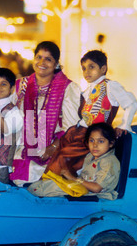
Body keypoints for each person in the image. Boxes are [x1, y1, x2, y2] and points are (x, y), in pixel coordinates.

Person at [46, 49, 137, 177]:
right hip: (77, 133)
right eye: (83, 68)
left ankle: (61, 187)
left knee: (64, 157)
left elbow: (131, 103)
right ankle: (54, 186)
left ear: (103, 68)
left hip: (93, 136)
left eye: (91, 67)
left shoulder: (110, 86)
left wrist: (124, 125)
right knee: (57, 155)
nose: (86, 72)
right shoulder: (87, 90)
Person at [9, 41, 82, 186]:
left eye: (48, 59)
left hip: (52, 152)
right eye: (39, 57)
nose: (42, 62)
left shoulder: (68, 88)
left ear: (56, 64)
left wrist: (53, 147)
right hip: (20, 149)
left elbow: (71, 127)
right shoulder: (20, 85)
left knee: (38, 191)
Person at [28, 122, 120, 200]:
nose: (95, 145)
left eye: (100, 141)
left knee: (52, 188)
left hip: (94, 196)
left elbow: (97, 188)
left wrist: (74, 179)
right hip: (81, 188)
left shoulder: (109, 162)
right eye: (91, 140)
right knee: (50, 182)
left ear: (111, 143)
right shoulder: (90, 156)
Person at [0, 68, 23, 184]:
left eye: (4, 84)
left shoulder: (13, 111)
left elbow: (6, 130)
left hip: (0, 166)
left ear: (12, 89)